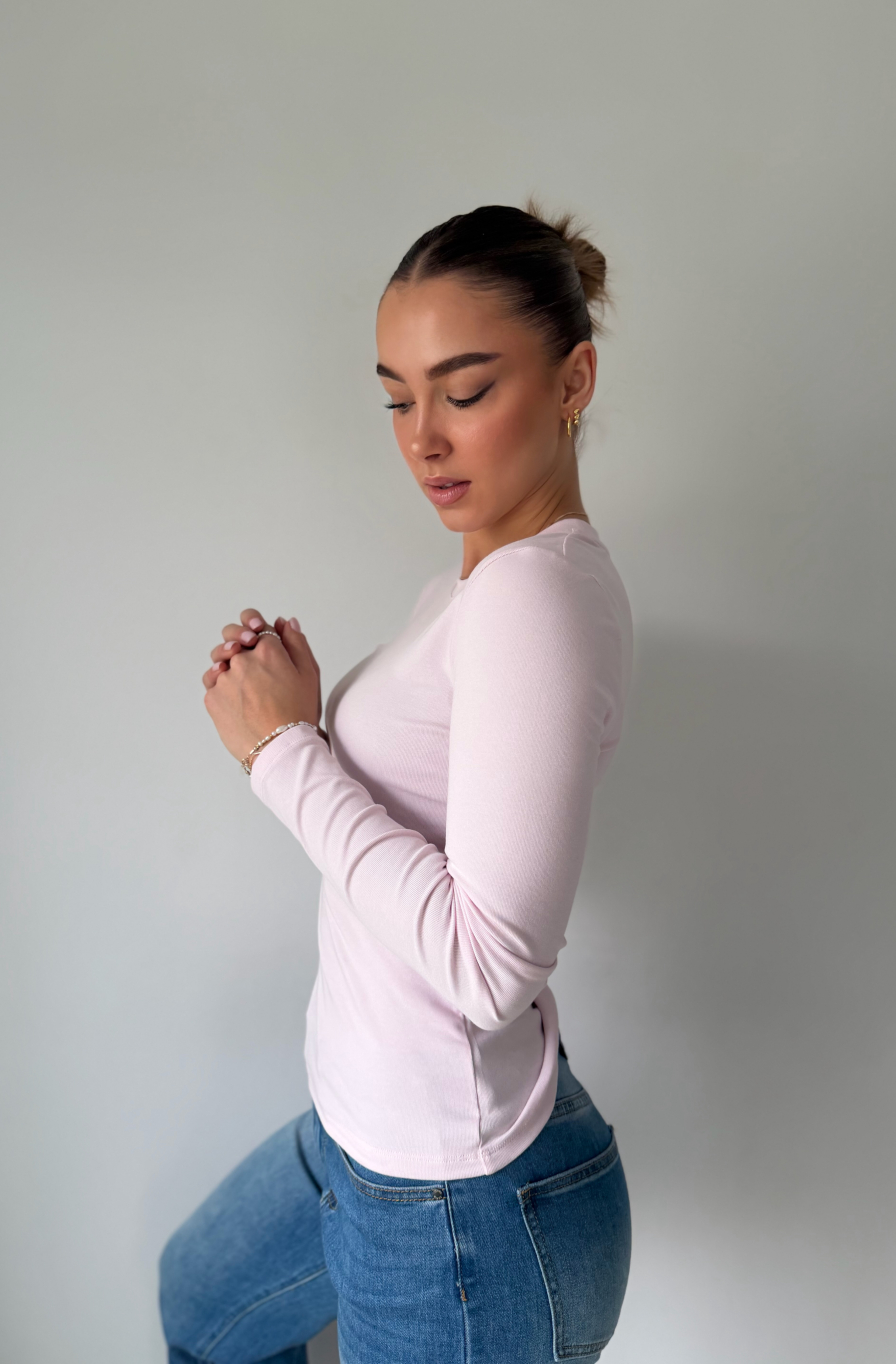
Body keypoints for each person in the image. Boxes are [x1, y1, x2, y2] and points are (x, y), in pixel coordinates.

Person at [159, 203, 635, 1364]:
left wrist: (284, 754)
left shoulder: (531, 595)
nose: (422, 439)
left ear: (572, 381)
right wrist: (306, 720)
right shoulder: (479, 587)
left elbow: (489, 966)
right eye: (397, 398)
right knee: (202, 1305)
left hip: (458, 1213)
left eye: (464, 392)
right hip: (370, 1138)